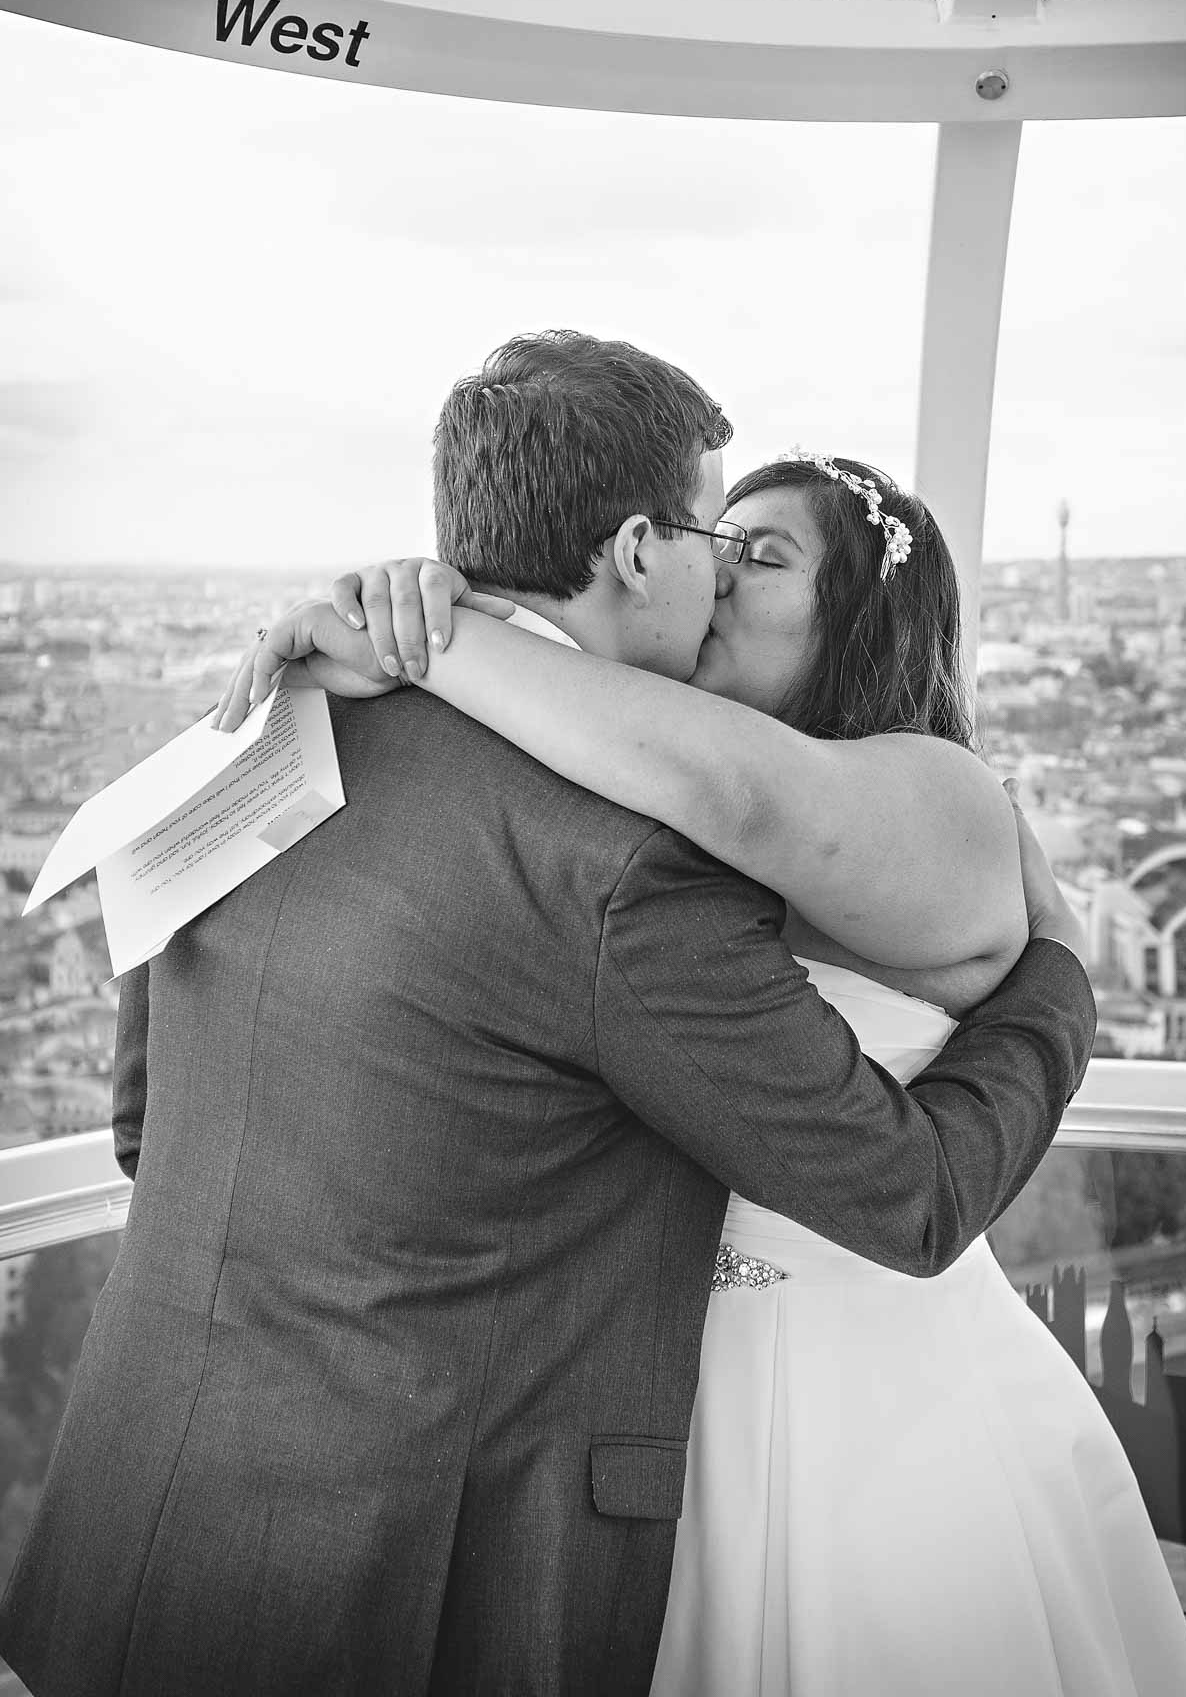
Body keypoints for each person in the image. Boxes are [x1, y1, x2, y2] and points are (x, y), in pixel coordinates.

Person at [0, 333, 1095, 1697]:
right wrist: (1062, 979)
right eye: (710, 533)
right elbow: (911, 1195)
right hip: (403, 1574)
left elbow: (145, 1130)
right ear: (638, 551)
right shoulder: (618, 863)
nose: (716, 573)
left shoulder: (245, 739)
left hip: (137, 1513)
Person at [225, 440, 1186, 1693]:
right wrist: (408, 606)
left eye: (765, 553)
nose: (718, 574)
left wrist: (443, 637)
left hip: (878, 1412)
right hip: (649, 1413)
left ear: (861, 614)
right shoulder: (636, 794)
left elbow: (737, 795)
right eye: (713, 541)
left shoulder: (942, 795)